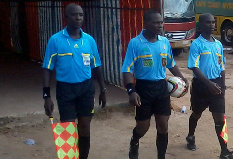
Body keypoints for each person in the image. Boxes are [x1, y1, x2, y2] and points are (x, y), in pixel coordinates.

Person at [121, 10, 189, 159]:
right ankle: (135, 140)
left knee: (163, 125)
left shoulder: (164, 42)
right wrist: (131, 91)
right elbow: (126, 70)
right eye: (156, 22)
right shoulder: (135, 43)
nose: (160, 25)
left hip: (161, 88)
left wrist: (182, 78)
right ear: (146, 24)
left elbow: (171, 63)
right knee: (142, 128)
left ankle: (161, 156)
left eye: (161, 22)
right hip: (143, 89)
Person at [42, 3, 106, 159]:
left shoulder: (89, 40)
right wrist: (46, 96)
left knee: (85, 127)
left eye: (81, 15)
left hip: (86, 89)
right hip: (65, 90)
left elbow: (96, 66)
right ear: (66, 17)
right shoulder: (55, 40)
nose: (78, 18)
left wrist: (103, 90)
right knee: (68, 129)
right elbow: (47, 68)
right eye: (74, 14)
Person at [186, 13, 233, 159]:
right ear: (200, 25)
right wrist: (209, 84)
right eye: (208, 22)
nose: (212, 25)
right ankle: (190, 136)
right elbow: (194, 67)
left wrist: (223, 85)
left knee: (220, 119)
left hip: (217, 85)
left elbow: (221, 65)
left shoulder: (218, 44)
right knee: (196, 113)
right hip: (201, 86)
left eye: (213, 22)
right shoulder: (196, 44)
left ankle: (224, 151)